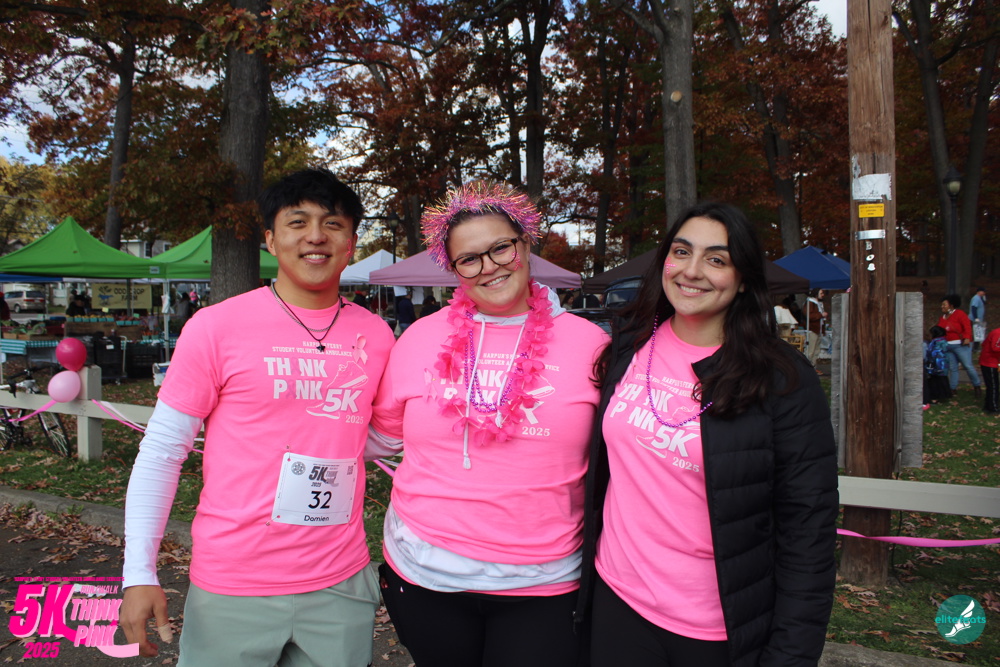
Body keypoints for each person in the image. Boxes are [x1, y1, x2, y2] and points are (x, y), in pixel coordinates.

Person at [120, 168, 395, 665]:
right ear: (270, 239)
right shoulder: (216, 327)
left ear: (351, 243)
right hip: (234, 583)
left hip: (340, 582)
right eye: (298, 222)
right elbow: (162, 451)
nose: (316, 236)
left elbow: (366, 435)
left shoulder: (376, 335)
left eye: (333, 224)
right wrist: (139, 572)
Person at [577, 202, 838, 666]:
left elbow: (808, 531)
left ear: (744, 279)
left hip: (714, 629)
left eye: (716, 259)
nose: (692, 271)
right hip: (617, 603)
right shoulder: (628, 345)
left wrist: (791, 653)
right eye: (681, 252)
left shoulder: (783, 379)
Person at [366, 181, 608, 667]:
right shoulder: (418, 338)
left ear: (526, 245)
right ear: (454, 270)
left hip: (544, 581)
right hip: (425, 574)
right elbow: (377, 439)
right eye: (469, 259)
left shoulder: (592, 345)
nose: (489, 266)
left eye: (501, 248)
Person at [938, 294, 982, 398]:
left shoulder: (960, 314)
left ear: (951, 305)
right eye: (942, 305)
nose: (942, 307)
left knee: (967, 366)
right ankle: (952, 388)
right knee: (952, 368)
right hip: (948, 346)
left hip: (960, 345)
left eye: (944, 304)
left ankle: (977, 385)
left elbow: (967, 326)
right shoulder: (942, 318)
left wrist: (967, 337)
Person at [924, 325, 952, 405]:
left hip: (937, 364)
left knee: (935, 381)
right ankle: (941, 395)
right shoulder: (942, 341)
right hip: (941, 364)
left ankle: (935, 396)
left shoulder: (936, 342)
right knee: (940, 379)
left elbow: (934, 353)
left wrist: (929, 360)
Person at [979, 325, 1000, 414]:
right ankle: (993, 408)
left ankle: (988, 405)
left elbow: (984, 344)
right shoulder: (998, 333)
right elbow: (995, 348)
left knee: (992, 385)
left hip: (992, 361)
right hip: (989, 362)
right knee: (993, 386)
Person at [805, 288, 826, 373]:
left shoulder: (818, 303)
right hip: (812, 329)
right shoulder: (810, 303)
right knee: (810, 350)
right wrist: (821, 315)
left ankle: (813, 367)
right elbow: (809, 315)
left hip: (818, 329)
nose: (823, 295)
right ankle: (807, 367)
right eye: (821, 293)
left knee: (816, 351)